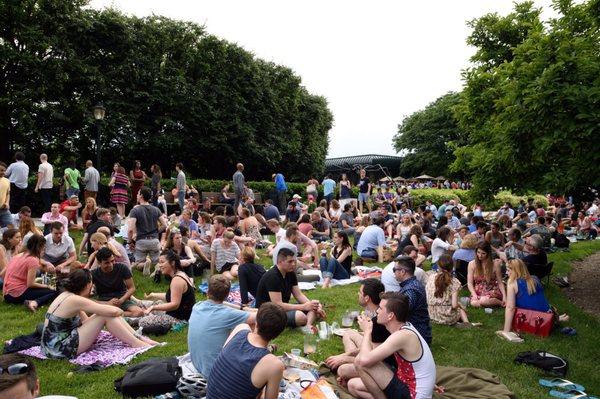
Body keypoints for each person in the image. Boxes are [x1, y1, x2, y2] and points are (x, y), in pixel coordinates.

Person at [41, 269, 155, 360]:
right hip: (59, 349)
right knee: (105, 314)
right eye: (91, 284)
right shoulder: (75, 299)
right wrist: (118, 311)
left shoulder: (67, 295)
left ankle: (139, 338)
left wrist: (107, 315)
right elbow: (114, 311)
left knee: (104, 314)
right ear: (86, 286)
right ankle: (136, 342)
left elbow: (85, 323)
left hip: (51, 346)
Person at [346, 292, 436, 399]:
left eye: (380, 308)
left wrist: (367, 331)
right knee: (352, 385)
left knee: (360, 363)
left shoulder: (402, 336)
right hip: (405, 382)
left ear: (390, 316)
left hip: (413, 395)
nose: (377, 311)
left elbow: (363, 360)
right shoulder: (404, 328)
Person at [206, 302, 287, 399]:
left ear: (256, 322)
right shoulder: (274, 365)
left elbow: (226, 356)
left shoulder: (240, 329)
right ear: (278, 334)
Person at [188, 275, 256, 378]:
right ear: (228, 295)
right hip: (217, 373)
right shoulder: (227, 314)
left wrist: (242, 308)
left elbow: (223, 305)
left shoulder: (197, 306)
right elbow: (258, 317)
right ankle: (258, 352)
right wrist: (248, 309)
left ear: (207, 292)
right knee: (247, 325)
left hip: (197, 366)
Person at [326, 279, 390, 376]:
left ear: (367, 298)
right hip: (372, 349)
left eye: (360, 292)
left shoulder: (378, 320)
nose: (358, 294)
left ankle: (350, 364)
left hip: (381, 362)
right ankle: (351, 362)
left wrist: (344, 357)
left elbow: (372, 354)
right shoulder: (372, 311)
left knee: (342, 370)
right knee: (348, 333)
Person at [255, 248, 325, 330]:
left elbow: (299, 295)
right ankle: (306, 323)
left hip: (282, 309)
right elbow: (278, 304)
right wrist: (304, 307)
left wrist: (312, 306)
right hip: (269, 313)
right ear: (280, 262)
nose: (293, 264)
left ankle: (307, 326)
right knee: (300, 316)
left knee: (315, 306)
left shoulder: (290, 273)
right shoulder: (272, 276)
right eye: (290, 262)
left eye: (294, 261)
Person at [141, 250, 196, 328]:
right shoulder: (179, 274)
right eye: (159, 262)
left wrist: (153, 308)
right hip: (175, 314)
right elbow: (171, 296)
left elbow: (174, 305)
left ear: (172, 263)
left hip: (179, 319)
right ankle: (138, 303)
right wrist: (153, 295)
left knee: (143, 322)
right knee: (149, 304)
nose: (160, 265)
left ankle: (142, 315)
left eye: (162, 262)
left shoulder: (177, 280)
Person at [3, 234, 57, 312]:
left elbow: (40, 267)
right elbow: (30, 284)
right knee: (53, 290)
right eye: (44, 246)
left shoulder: (20, 255)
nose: (44, 248)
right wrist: (47, 286)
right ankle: (34, 302)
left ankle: (51, 284)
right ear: (39, 247)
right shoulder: (32, 260)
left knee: (49, 281)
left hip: (7, 293)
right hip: (15, 294)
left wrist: (46, 266)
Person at [386, 256, 432, 345]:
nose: (393, 273)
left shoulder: (411, 290)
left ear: (402, 272)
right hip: (417, 332)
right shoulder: (411, 285)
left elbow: (400, 313)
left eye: (394, 269)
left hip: (417, 336)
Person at [501, 259, 554, 334]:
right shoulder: (535, 278)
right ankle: (558, 319)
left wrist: (506, 331)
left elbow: (510, 308)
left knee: (511, 306)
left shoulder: (512, 283)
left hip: (536, 321)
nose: (506, 273)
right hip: (548, 317)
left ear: (516, 270)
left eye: (508, 270)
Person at [91, 247, 144, 317]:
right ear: (99, 263)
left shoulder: (122, 268)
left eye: (112, 261)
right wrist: (106, 303)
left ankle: (113, 315)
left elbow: (132, 288)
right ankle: (121, 316)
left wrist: (122, 300)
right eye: (106, 263)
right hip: (104, 301)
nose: (110, 265)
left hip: (122, 299)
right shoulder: (94, 274)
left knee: (139, 312)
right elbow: (85, 298)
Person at [128, 187, 168, 274]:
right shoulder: (156, 209)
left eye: (138, 194)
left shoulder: (135, 210)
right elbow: (165, 225)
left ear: (141, 196)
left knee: (138, 263)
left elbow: (130, 229)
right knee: (157, 262)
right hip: (154, 241)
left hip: (141, 241)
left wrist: (130, 241)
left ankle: (145, 264)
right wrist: (156, 231)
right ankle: (156, 266)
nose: (137, 195)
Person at [425, 253, 470, 325]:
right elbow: (454, 305)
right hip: (446, 317)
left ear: (438, 266)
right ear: (452, 267)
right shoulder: (454, 282)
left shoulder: (431, 277)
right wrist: (461, 306)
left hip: (431, 314)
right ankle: (467, 323)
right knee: (460, 308)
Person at [467, 242, 506, 308]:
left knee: (482, 301)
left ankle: (500, 303)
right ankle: (489, 304)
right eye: (478, 252)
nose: (480, 255)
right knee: (474, 303)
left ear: (488, 254)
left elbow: (500, 283)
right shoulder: (471, 264)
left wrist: (505, 296)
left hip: (492, 290)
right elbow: (469, 283)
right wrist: (474, 294)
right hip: (478, 291)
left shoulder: (495, 264)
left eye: (483, 253)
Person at [0, 162, 11, 229]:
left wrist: (7, 203)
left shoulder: (7, 181)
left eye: (4, 170)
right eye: (1, 170)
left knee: (11, 229)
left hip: (4, 210)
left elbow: (8, 193)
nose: (3, 172)